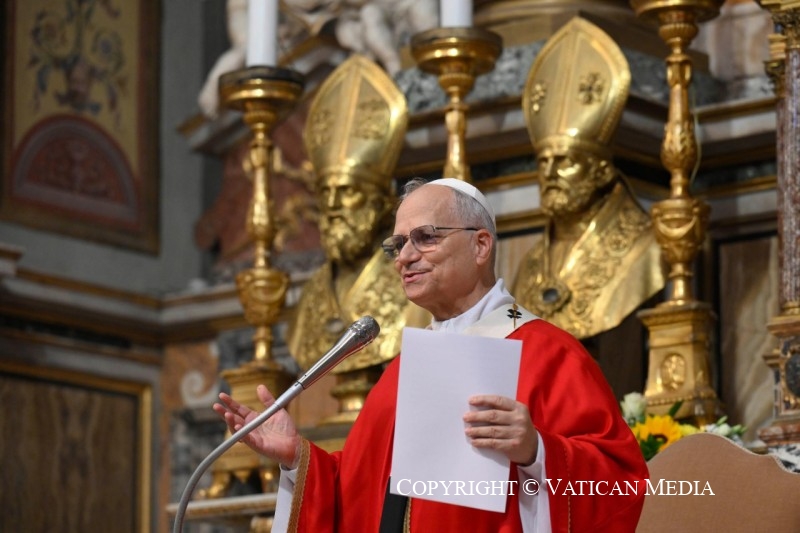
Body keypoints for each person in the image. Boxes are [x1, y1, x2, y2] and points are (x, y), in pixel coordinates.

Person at [214, 176, 649, 531]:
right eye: (397, 244)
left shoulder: (548, 353)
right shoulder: (404, 371)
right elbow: (363, 493)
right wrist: (298, 457)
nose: (404, 257)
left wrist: (537, 451)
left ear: (481, 246)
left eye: (425, 238)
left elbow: (621, 486)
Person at [287, 55, 428, 423]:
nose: (333, 206)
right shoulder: (312, 296)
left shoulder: (409, 285)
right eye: (326, 193)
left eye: (348, 192)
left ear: (382, 204)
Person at [513, 17, 665, 340]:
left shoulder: (648, 247)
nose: (550, 173)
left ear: (601, 172)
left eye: (566, 161)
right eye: (543, 162)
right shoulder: (528, 266)